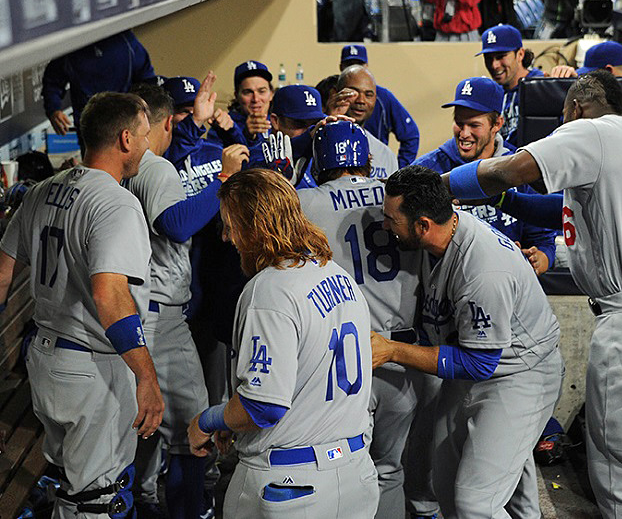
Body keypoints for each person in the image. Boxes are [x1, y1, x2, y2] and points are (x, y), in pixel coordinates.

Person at [443, 70, 622, 518]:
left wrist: (440, 185)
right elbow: (558, 205)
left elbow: (510, 169)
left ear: (577, 106)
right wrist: (508, 203)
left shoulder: (589, 131)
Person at [0, 92, 164, 517]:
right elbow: (109, 295)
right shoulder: (116, 203)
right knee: (98, 500)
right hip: (93, 370)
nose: (147, 145)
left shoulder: (41, 191)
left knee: (74, 485)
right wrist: (145, 375)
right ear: (125, 139)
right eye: (144, 136)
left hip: (44, 359)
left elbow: (1, 274)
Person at [372, 165, 563, 519]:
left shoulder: (482, 269)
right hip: (474, 367)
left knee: (476, 504)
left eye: (391, 219)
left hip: (519, 374)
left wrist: (393, 350)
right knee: (444, 485)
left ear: (423, 225)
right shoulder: (441, 235)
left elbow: (479, 362)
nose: (385, 226)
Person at [187, 168, 379, 519]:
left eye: (231, 224)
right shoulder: (337, 274)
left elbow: (263, 406)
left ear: (254, 225)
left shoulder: (269, 289)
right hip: (356, 475)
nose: (227, 237)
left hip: (291, 486)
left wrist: (210, 420)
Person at [126, 83, 248, 518]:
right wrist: (224, 180)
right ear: (168, 122)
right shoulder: (154, 166)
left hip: (139, 312)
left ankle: (147, 502)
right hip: (159, 315)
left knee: (144, 426)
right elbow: (177, 225)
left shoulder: (122, 168)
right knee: (192, 430)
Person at [298, 120, 421, 518]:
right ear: (367, 158)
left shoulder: (305, 202)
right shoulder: (399, 196)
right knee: (389, 469)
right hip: (405, 354)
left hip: (343, 359)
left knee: (340, 469)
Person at [414, 76, 555, 273]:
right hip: (446, 290)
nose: (464, 133)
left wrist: (539, 258)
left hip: (506, 287)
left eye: (473, 125)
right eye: (459, 123)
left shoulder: (520, 168)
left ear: (497, 124)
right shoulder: (428, 169)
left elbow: (542, 239)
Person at [42, 30, 156, 154]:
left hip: (126, 125)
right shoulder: (72, 44)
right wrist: (53, 109)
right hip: (91, 130)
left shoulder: (125, 41)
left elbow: (148, 82)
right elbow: (52, 81)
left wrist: (145, 113)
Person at [340, 44, 421, 167]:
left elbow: (411, 135)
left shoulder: (383, 96)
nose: (361, 100)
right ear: (341, 67)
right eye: (349, 64)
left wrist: (399, 170)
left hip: (374, 170)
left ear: (366, 67)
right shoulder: (331, 97)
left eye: (359, 65)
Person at [477, 24, 544, 144]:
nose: (494, 65)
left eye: (501, 56)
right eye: (488, 58)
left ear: (520, 54)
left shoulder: (541, 86)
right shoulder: (492, 93)